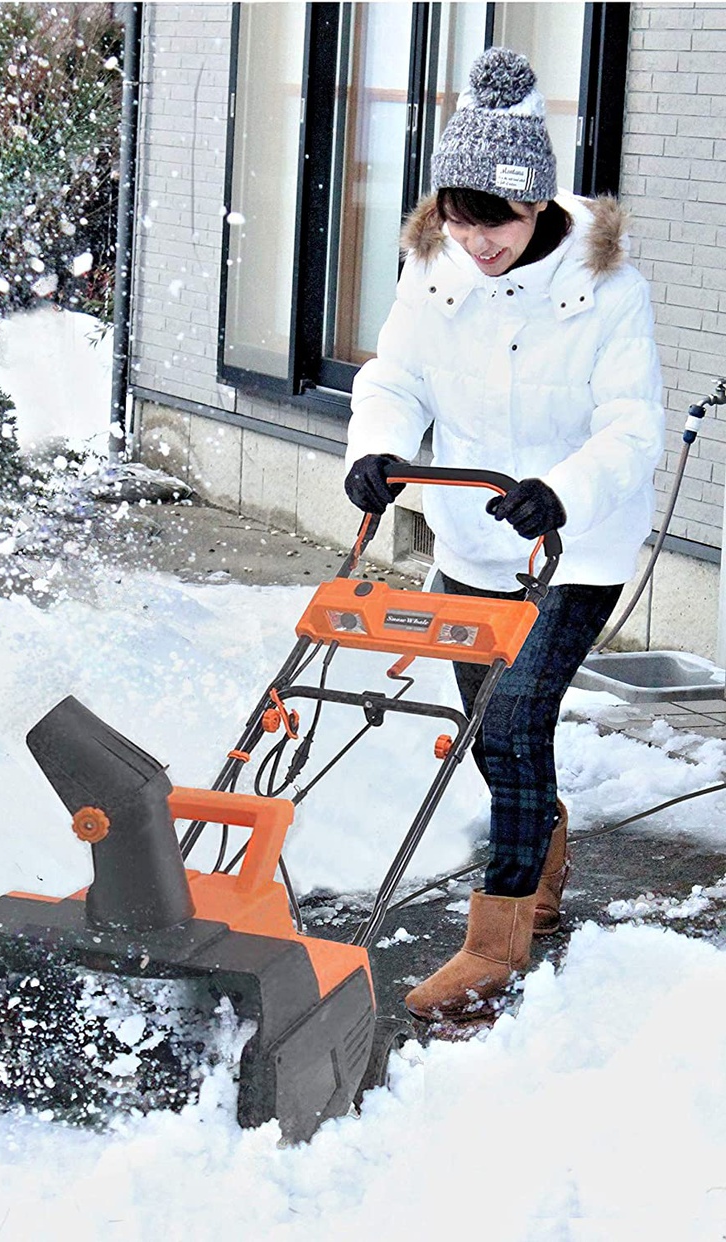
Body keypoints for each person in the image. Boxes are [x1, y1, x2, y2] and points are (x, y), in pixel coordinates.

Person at [344, 47, 664, 1022]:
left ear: (541, 209)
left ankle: (493, 948)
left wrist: (559, 491)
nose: (477, 242)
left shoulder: (607, 292)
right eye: (460, 217)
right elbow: (395, 380)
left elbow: (632, 427)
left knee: (517, 721)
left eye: (500, 221)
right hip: (470, 544)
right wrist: (378, 447)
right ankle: (543, 860)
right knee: (492, 734)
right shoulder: (431, 270)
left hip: (575, 546)